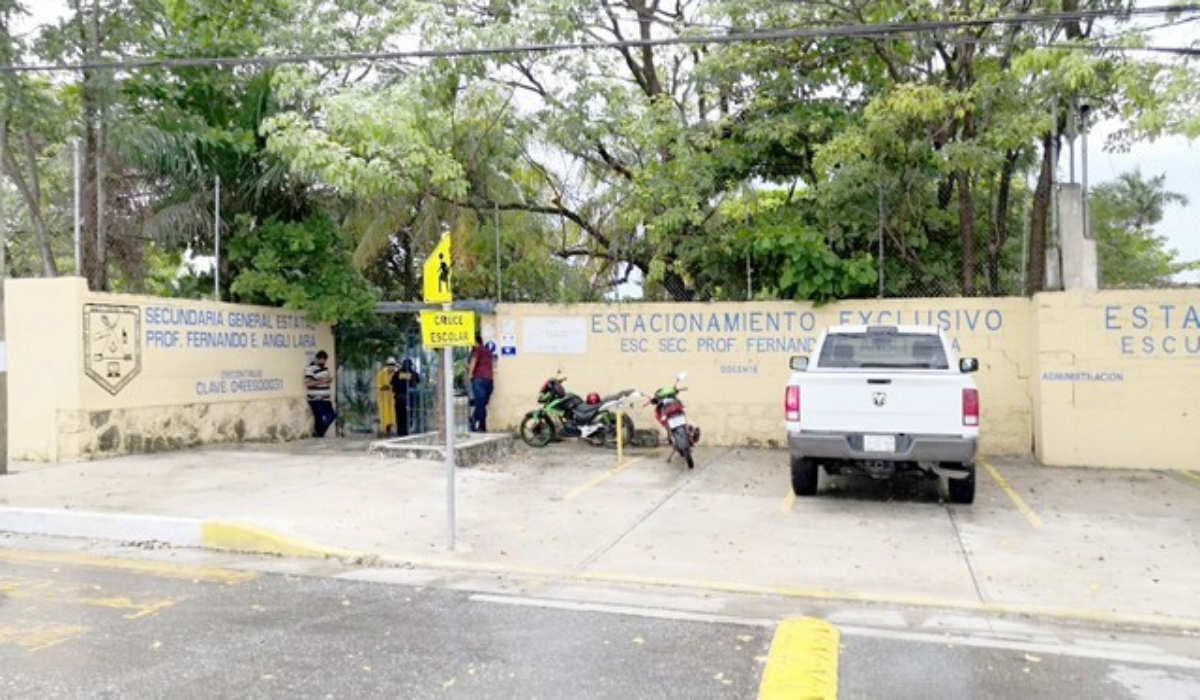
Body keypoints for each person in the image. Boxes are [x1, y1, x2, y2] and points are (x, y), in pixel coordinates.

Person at [305, 350, 337, 438]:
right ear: (317, 359)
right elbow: (308, 383)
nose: (323, 363)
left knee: (332, 415)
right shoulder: (310, 369)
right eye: (321, 361)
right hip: (315, 398)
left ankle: (319, 433)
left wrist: (329, 380)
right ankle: (319, 434)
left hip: (326, 398)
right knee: (319, 417)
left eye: (324, 361)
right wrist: (323, 381)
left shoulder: (325, 369)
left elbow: (326, 381)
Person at [466, 332, 494, 432]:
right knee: (481, 404)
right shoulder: (488, 351)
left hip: (479, 380)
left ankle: (478, 423)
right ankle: (477, 423)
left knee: (480, 404)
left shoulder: (476, 350)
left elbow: (473, 362)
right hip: (489, 381)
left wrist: (469, 375)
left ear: (475, 341)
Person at [390, 358, 421, 437]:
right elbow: (418, 380)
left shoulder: (397, 373)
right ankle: (406, 431)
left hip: (399, 397)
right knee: (408, 414)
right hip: (408, 397)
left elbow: (392, 383)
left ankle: (401, 431)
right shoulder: (412, 374)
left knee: (399, 415)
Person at [376, 357, 399, 436]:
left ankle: (392, 430)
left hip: (392, 397)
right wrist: (385, 387)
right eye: (390, 365)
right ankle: (384, 431)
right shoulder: (381, 374)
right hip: (384, 398)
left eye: (393, 365)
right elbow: (379, 386)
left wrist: (391, 387)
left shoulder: (396, 373)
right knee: (384, 415)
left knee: (392, 415)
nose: (391, 367)